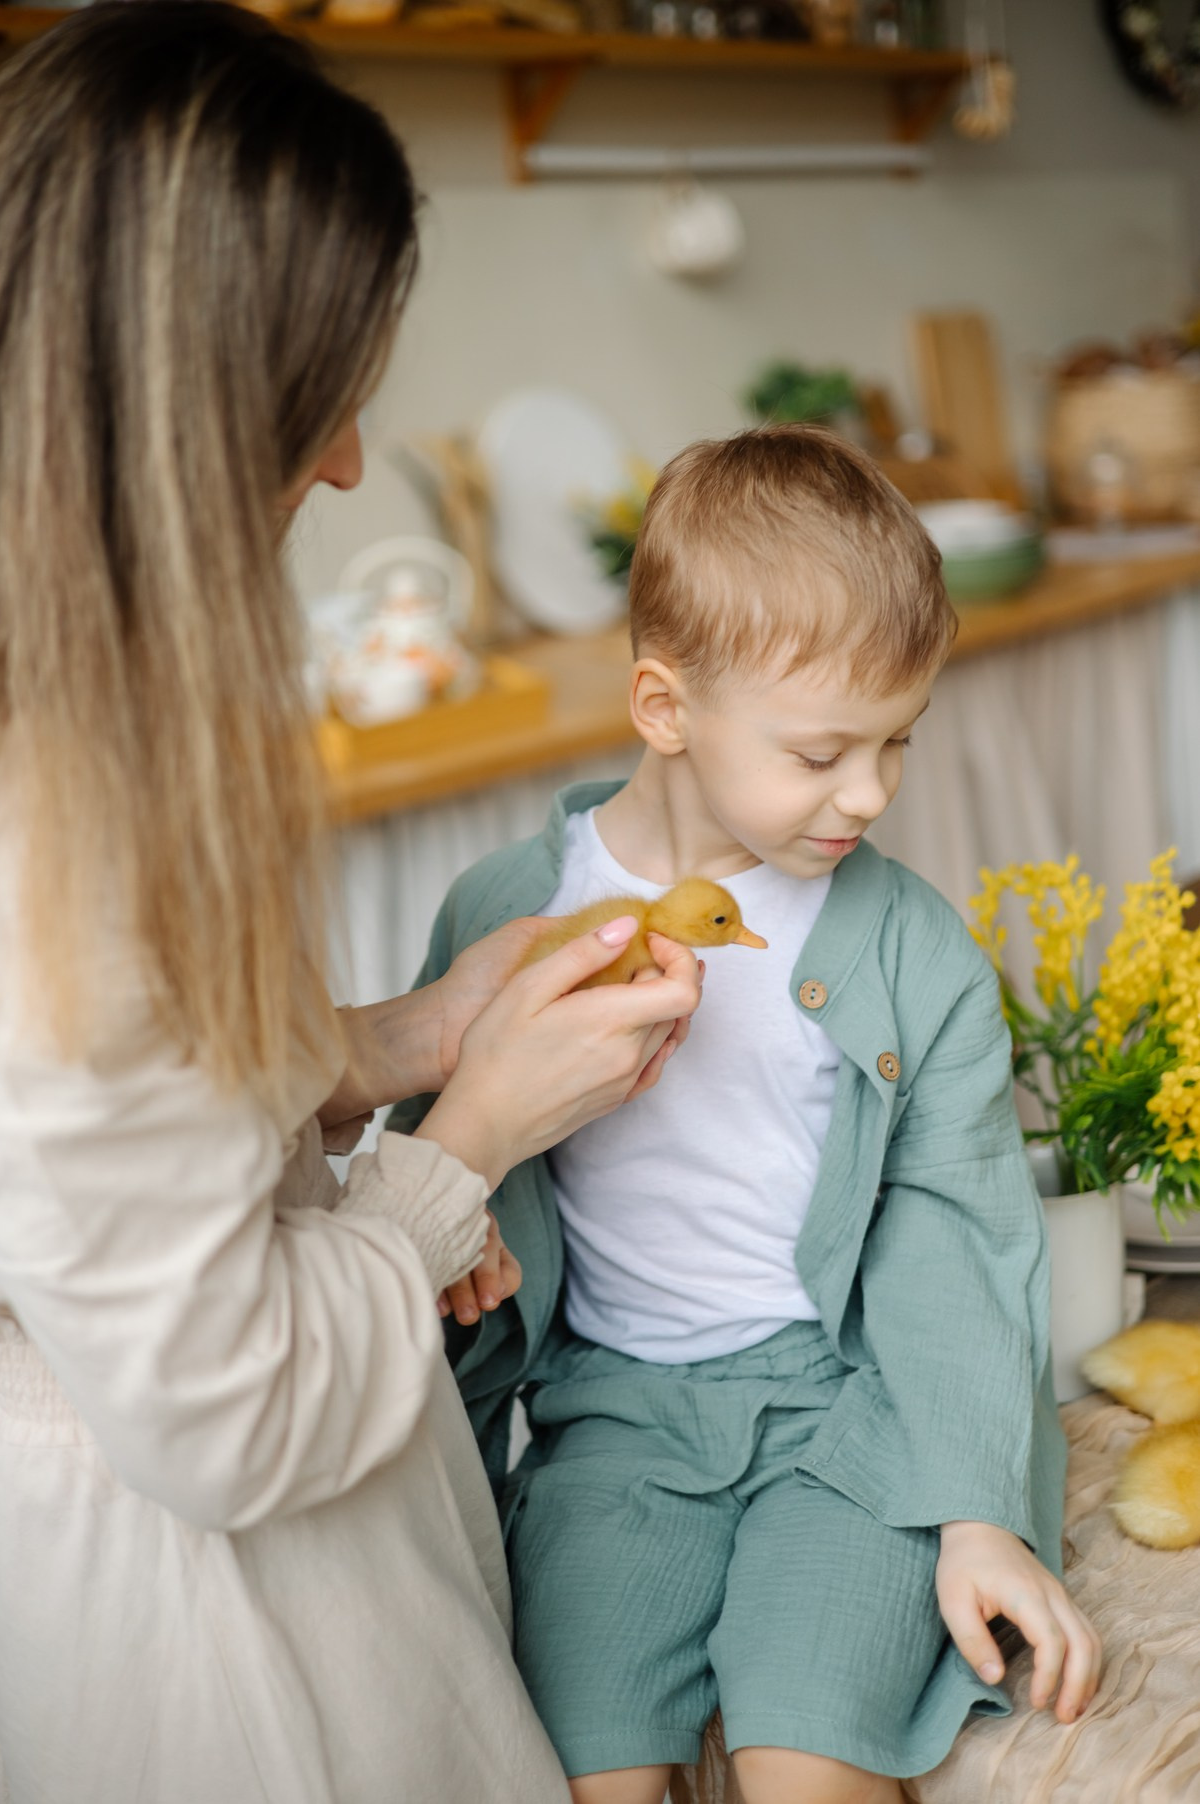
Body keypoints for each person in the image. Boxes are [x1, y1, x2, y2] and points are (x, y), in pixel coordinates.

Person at [0, 8, 702, 1802]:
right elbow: (223, 1411)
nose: (347, 465)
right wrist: (463, 1138)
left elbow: (99, 1127)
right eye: (322, 395)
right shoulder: (58, 841)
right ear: (182, 411)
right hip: (205, 1638)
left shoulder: (81, 728)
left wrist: (388, 1038)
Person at [390, 426, 1104, 1804]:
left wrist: (974, 1508)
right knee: (592, 1767)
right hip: (611, 1422)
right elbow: (442, 1191)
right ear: (664, 710)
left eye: (899, 741)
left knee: (805, 1770)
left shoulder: (912, 949)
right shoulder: (502, 918)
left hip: (845, 1418)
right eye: (824, 751)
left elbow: (955, 1228)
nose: (871, 794)